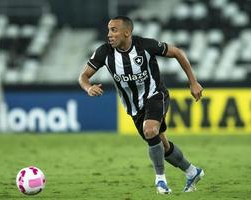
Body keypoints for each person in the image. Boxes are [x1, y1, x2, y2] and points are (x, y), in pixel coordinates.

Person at [78, 16, 204, 194]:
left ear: (127, 32)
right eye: (108, 30)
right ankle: (192, 171)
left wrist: (193, 82)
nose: (109, 34)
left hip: (155, 95)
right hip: (134, 108)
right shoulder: (104, 53)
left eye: (114, 30)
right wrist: (88, 87)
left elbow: (176, 52)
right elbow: (83, 77)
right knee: (161, 145)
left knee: (150, 130)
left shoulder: (145, 46)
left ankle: (160, 180)